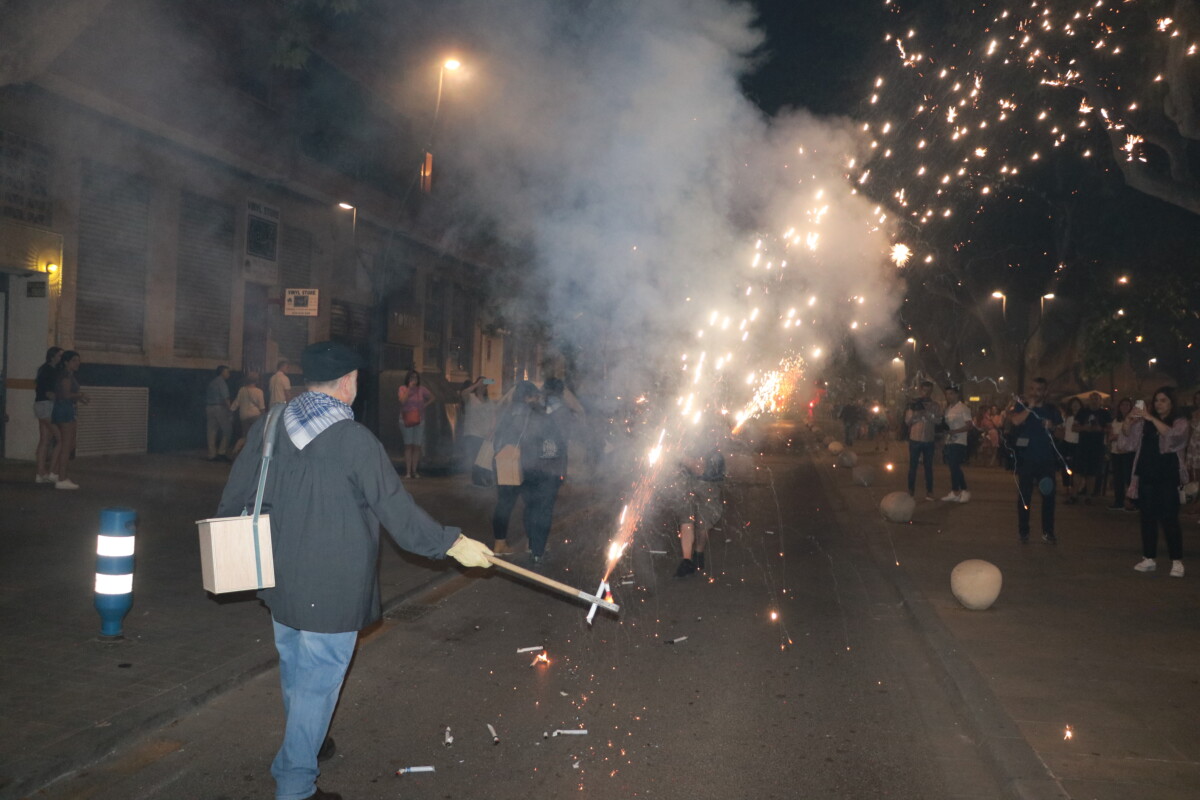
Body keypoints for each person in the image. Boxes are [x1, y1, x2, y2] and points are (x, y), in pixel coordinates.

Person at [216, 341, 493, 800]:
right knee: (319, 678)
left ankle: (311, 738)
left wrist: (229, 545)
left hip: (277, 570)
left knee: (294, 662)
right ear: (348, 382)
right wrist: (453, 543)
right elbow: (398, 514)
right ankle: (295, 783)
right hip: (333, 581)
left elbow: (236, 492)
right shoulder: (353, 439)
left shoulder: (271, 424)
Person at [490, 381, 568, 565]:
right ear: (528, 396)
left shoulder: (508, 412)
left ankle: (500, 543)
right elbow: (551, 443)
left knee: (505, 504)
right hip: (530, 466)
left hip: (506, 463)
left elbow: (497, 438)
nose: (538, 398)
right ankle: (535, 546)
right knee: (535, 506)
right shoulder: (536, 414)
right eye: (535, 395)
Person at [1121, 387, 1189, 577]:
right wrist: (1128, 420)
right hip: (1146, 476)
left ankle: (1177, 561)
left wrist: (1151, 418)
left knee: (1169, 519)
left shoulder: (1179, 422)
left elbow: (1175, 439)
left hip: (1167, 477)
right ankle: (1149, 557)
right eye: (1157, 400)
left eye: (1163, 400)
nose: (1159, 404)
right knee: (1147, 518)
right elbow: (1127, 441)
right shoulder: (1145, 424)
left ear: (1172, 403)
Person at [1006, 377, 1064, 544]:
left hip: (1046, 460)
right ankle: (1023, 531)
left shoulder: (1052, 410)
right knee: (1025, 496)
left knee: (1049, 496)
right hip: (1026, 459)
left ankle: (1048, 531)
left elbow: (1062, 434)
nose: (1034, 392)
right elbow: (1016, 421)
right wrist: (1029, 407)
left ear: (1045, 392)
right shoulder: (1022, 406)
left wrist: (1052, 426)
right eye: (1032, 389)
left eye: (1039, 389)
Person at [667, 434, 726, 578]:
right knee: (686, 518)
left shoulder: (712, 424)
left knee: (703, 522)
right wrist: (684, 459)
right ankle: (687, 560)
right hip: (684, 477)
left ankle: (699, 552)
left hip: (709, 479)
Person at [49, 351, 88, 490]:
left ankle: (60, 474)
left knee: (69, 444)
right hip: (64, 411)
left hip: (65, 409)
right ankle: (62, 478)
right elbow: (65, 394)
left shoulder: (67, 374)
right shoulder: (65, 375)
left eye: (78, 360)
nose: (77, 363)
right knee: (66, 446)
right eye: (74, 360)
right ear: (66, 362)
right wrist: (80, 395)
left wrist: (79, 398)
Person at [904, 381, 942, 500]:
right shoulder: (913, 404)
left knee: (928, 467)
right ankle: (910, 490)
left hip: (928, 440)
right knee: (913, 466)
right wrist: (918, 414)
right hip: (915, 439)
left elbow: (939, 421)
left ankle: (929, 491)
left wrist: (928, 414)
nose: (927, 393)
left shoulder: (935, 405)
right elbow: (907, 421)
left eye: (929, 391)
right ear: (920, 390)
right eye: (925, 390)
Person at [1073, 393, 1111, 502]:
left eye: (1096, 399)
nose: (1094, 401)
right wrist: (1084, 427)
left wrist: (1100, 429)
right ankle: (1074, 495)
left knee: (1092, 472)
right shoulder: (1082, 412)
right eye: (1092, 399)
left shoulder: (1105, 413)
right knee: (1078, 471)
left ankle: (1089, 496)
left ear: (1100, 401)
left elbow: (1109, 428)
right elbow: (1074, 427)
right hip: (1083, 445)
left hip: (1097, 446)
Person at [459, 376, 496, 487]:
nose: (483, 386)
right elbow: (463, 394)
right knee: (476, 456)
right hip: (472, 432)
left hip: (485, 433)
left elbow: (493, 416)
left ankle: (485, 477)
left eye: (485, 384)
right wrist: (476, 385)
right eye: (482, 384)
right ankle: (477, 479)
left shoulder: (489, 401)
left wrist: (492, 430)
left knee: (485, 456)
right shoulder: (470, 398)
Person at [397, 369, 434, 479]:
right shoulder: (402, 388)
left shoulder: (421, 390)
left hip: (419, 419)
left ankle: (414, 471)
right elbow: (402, 401)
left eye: (415, 378)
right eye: (411, 377)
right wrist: (409, 389)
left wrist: (425, 405)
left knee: (417, 446)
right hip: (406, 419)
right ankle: (408, 472)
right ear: (408, 379)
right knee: (408, 445)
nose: (414, 380)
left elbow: (432, 397)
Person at [34, 346, 63, 484]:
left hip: (40, 405)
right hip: (46, 405)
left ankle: (40, 473)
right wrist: (62, 398)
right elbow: (49, 393)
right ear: (53, 356)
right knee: (60, 437)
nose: (61, 358)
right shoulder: (51, 371)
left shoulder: (43, 369)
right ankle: (52, 471)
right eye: (59, 355)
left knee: (44, 439)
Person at [941, 385, 972, 502]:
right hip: (949, 441)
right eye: (947, 394)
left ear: (957, 394)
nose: (949, 396)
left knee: (955, 466)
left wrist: (955, 431)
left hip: (959, 441)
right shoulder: (948, 409)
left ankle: (963, 490)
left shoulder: (962, 408)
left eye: (951, 394)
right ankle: (955, 491)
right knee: (952, 467)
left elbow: (969, 425)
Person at [1107, 398, 1135, 511]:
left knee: (1129, 477)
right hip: (1116, 452)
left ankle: (1131, 502)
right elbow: (1111, 435)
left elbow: (1131, 436)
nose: (1125, 407)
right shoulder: (1116, 421)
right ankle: (1119, 500)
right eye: (1123, 405)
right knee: (1118, 477)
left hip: (1127, 452)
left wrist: (1117, 437)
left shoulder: (1133, 421)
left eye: (1127, 405)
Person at [231, 373, 266, 457]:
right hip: (255, 416)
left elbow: (236, 402)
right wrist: (264, 416)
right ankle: (252, 454)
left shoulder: (242, 390)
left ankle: (238, 448)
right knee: (256, 435)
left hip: (243, 415)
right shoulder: (259, 391)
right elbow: (261, 406)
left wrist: (231, 410)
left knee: (245, 435)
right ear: (257, 381)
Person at [206, 365, 234, 462]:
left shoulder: (212, 382)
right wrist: (230, 410)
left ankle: (211, 454)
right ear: (222, 372)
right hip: (219, 408)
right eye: (227, 372)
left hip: (209, 407)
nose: (228, 374)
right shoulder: (222, 383)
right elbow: (225, 398)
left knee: (211, 431)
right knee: (227, 430)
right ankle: (222, 452)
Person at [1059, 397, 1082, 504]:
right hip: (1067, 443)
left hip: (1077, 444)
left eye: (1077, 404)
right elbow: (1063, 429)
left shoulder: (1082, 416)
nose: (1075, 406)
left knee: (1076, 467)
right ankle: (1066, 487)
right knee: (1066, 466)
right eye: (1073, 404)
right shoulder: (1067, 416)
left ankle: (1074, 489)